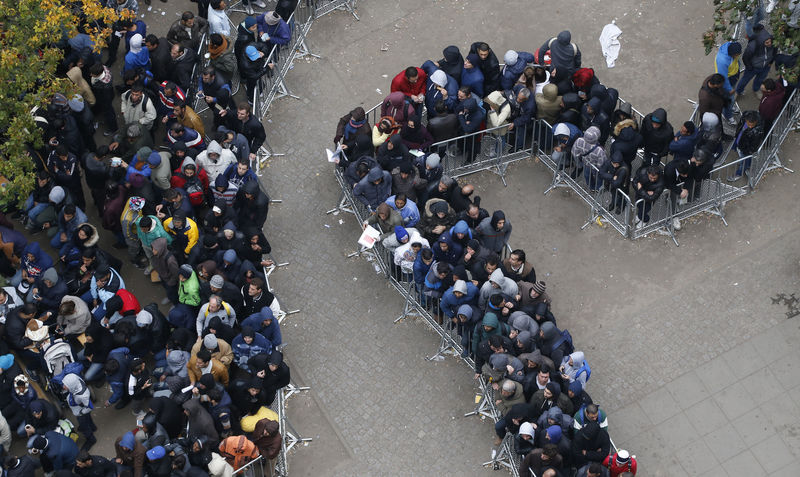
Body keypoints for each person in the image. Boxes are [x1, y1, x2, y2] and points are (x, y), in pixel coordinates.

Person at [737, 24, 775, 97]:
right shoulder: (752, 46)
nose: (769, 44)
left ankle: (756, 89)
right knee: (745, 80)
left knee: (760, 80)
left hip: (765, 67)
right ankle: (739, 91)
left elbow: (775, 51)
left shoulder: (772, 42)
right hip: (753, 68)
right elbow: (745, 58)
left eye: (770, 41)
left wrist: (770, 62)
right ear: (762, 41)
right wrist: (750, 67)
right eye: (767, 42)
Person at [62, 373, 96, 451]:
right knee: (88, 418)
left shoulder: (82, 395)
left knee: (84, 426)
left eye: (65, 385)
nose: (63, 387)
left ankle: (91, 439)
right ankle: (93, 427)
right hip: (81, 408)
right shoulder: (77, 383)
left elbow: (90, 407)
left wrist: (81, 413)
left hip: (80, 412)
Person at [730, 110, 765, 180]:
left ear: (756, 122)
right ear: (746, 120)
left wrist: (747, 152)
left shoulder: (758, 132)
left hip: (746, 149)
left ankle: (739, 173)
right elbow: (740, 127)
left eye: (752, 125)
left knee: (744, 162)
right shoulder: (744, 117)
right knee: (744, 160)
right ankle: (747, 165)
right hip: (740, 141)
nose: (750, 126)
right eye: (748, 124)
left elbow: (753, 146)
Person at [715, 40, 742, 123]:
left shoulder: (732, 49)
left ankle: (730, 107)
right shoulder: (722, 61)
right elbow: (723, 78)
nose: (738, 56)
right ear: (732, 54)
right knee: (728, 100)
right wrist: (729, 89)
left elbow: (736, 61)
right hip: (727, 81)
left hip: (733, 76)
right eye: (737, 55)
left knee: (730, 99)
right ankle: (727, 115)